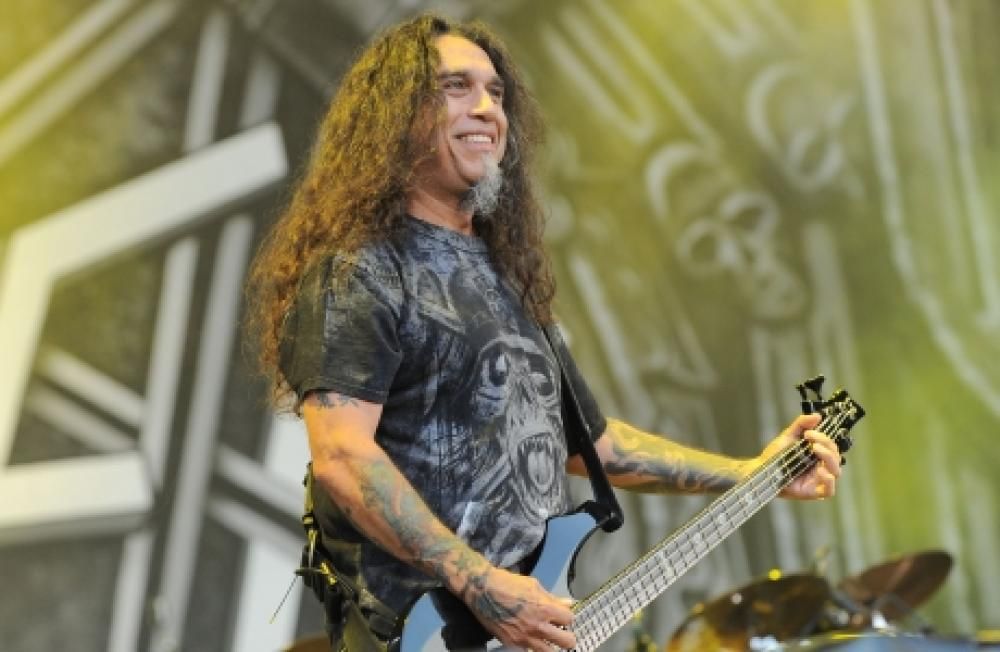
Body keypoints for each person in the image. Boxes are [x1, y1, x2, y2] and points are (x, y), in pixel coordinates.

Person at [245, 13, 841, 652]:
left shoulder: (508, 284)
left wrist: (753, 472)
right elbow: (343, 455)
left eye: (496, 92)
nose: (486, 108)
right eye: (455, 87)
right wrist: (481, 585)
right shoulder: (360, 271)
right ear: (397, 114)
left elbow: (594, 446)